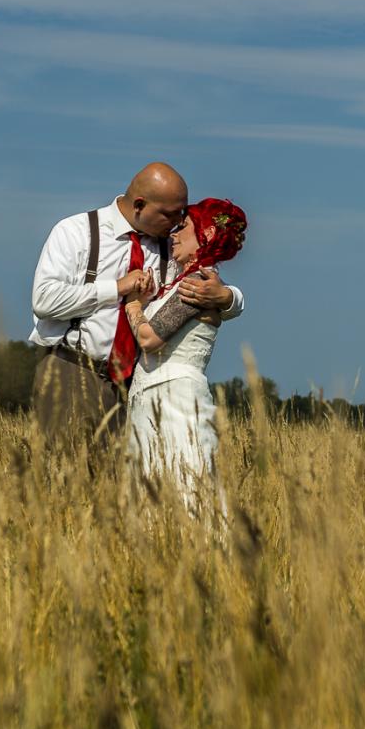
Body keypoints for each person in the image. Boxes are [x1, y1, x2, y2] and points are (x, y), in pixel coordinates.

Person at [29, 163, 244, 442]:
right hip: (76, 371)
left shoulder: (172, 247)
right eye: (170, 214)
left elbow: (198, 296)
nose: (177, 223)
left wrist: (229, 298)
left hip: (136, 385)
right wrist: (117, 288)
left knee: (122, 482)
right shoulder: (76, 231)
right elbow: (44, 300)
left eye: (182, 214)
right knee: (68, 477)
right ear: (140, 205)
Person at [124, 197, 247, 515]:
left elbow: (150, 338)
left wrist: (133, 304)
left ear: (205, 235)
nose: (174, 234)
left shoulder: (198, 283)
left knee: (185, 489)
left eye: (183, 227)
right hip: (154, 395)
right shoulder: (184, 281)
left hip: (174, 397)